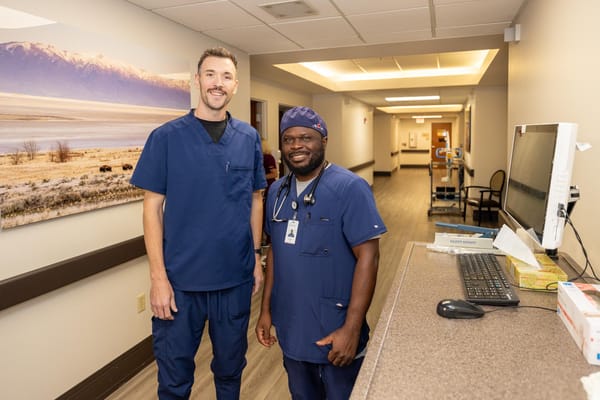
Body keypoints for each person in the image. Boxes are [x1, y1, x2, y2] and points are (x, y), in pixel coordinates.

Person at [130, 47, 267, 400]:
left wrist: (254, 257)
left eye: (225, 77)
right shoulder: (166, 138)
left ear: (235, 85)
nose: (217, 83)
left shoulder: (248, 138)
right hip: (180, 285)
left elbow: (254, 199)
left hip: (233, 280)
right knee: (174, 382)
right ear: (197, 80)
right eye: (210, 75)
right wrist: (158, 278)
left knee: (230, 373)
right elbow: (151, 209)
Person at [255, 106, 387, 399]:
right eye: (288, 139)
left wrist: (352, 329)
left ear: (323, 140)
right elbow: (275, 252)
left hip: (334, 330)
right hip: (292, 328)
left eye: (306, 137)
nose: (297, 146)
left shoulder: (350, 188)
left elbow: (369, 257)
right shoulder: (277, 191)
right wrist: (266, 311)